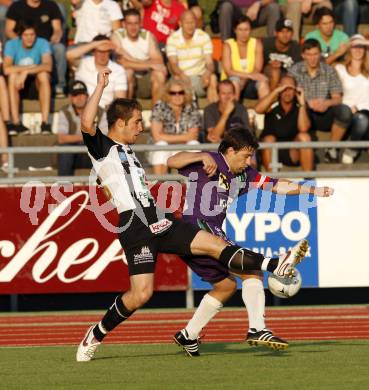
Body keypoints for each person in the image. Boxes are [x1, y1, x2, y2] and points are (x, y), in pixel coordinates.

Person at [75, 67, 316, 362]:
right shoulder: (103, 147)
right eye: (137, 121)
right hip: (134, 225)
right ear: (121, 123)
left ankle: (276, 265)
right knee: (141, 294)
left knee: (218, 246)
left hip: (158, 218)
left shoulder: (129, 151)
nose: (141, 127)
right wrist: (100, 86)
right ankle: (96, 333)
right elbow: (87, 122)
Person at [166, 128, 334, 356]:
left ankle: (188, 335)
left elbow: (276, 185)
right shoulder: (211, 160)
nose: (249, 161)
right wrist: (200, 155)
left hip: (210, 231)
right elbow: (172, 160)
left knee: (226, 286)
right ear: (231, 150)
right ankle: (258, 326)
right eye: (245, 156)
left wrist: (311, 190)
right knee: (251, 269)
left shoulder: (244, 175)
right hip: (196, 227)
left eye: (251, 156)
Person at [288, 38, 352, 162]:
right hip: (303, 110)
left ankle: (332, 149)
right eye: (309, 54)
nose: (313, 58)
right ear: (303, 55)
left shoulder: (329, 70)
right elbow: (288, 94)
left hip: (324, 112)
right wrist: (306, 103)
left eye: (316, 54)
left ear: (320, 54)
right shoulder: (295, 71)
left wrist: (326, 103)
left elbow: (337, 98)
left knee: (345, 111)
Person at [5, 0, 67, 97]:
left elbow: (57, 29)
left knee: (59, 48)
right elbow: (9, 30)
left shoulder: (51, 5)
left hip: (46, 44)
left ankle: (58, 86)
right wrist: (22, 42)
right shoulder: (16, 6)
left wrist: (53, 40)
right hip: (22, 43)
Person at [255, 74, 314, 171]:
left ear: (295, 90)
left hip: (292, 151)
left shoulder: (300, 105)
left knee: (305, 137)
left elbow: (303, 128)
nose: (287, 92)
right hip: (270, 150)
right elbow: (258, 110)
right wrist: (276, 91)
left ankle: (309, 181)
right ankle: (272, 183)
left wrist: (302, 103)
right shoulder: (272, 103)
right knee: (269, 139)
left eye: (290, 88)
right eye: (284, 88)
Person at [3, 20, 52, 134]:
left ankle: (45, 123)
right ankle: (16, 123)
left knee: (44, 75)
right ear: (20, 36)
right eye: (26, 35)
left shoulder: (42, 43)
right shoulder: (12, 44)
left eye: (32, 34)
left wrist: (25, 72)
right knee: (12, 76)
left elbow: (48, 66)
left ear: (36, 35)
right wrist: (32, 67)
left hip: (36, 86)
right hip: (18, 86)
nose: (29, 38)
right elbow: (6, 69)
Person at [112, 8, 167, 104]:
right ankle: (125, 113)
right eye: (129, 23)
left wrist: (132, 62)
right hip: (125, 81)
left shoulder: (147, 36)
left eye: (136, 23)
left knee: (160, 74)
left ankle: (156, 114)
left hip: (145, 79)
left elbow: (159, 62)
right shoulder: (117, 36)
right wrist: (149, 64)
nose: (133, 27)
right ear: (124, 24)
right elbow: (122, 63)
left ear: (140, 23)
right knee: (127, 72)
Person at [148, 78, 201, 174]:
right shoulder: (159, 107)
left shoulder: (192, 107)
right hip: (164, 148)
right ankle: (159, 186)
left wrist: (165, 136)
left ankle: (193, 186)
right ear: (167, 94)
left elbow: (193, 136)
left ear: (186, 93)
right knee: (161, 146)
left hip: (183, 148)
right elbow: (157, 137)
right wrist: (185, 137)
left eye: (181, 92)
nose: (177, 95)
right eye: (173, 93)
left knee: (194, 144)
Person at [57, 80, 108, 176]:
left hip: (92, 154)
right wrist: (87, 136)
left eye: (82, 94)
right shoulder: (65, 111)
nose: (79, 98)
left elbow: (104, 138)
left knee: (105, 151)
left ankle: (107, 189)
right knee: (66, 150)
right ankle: (64, 189)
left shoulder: (100, 111)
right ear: (70, 98)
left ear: (87, 96)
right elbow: (61, 138)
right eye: (75, 95)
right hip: (73, 155)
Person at [166, 10, 218, 102]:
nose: (190, 26)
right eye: (187, 23)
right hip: (181, 77)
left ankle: (212, 112)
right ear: (180, 23)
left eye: (192, 22)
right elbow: (173, 64)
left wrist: (208, 72)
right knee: (178, 80)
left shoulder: (203, 36)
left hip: (199, 77)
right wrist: (182, 75)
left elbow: (209, 62)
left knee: (212, 78)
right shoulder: (172, 39)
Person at [66, 35, 128, 109]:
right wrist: (95, 44)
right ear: (93, 51)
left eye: (106, 51)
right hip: (83, 109)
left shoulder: (118, 70)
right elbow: (69, 55)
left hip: (106, 111)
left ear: (110, 52)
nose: (103, 55)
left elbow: (120, 99)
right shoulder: (83, 62)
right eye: (99, 51)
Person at [335, 34, 369, 164]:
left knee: (365, 117)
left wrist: (364, 43)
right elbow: (320, 66)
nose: (358, 50)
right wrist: (343, 49)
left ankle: (352, 148)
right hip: (351, 114)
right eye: (354, 47)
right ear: (349, 49)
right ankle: (352, 149)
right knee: (361, 118)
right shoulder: (340, 68)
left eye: (361, 47)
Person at [221, 15, 270, 100]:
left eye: (246, 30)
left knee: (263, 83)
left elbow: (257, 68)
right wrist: (248, 76)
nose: (243, 33)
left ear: (250, 30)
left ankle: (266, 111)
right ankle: (234, 111)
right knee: (235, 81)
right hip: (231, 83)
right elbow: (229, 71)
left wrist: (245, 80)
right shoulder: (228, 45)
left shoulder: (257, 43)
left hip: (250, 82)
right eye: (240, 30)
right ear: (235, 30)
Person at [263, 17, 301, 90]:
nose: (285, 35)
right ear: (276, 33)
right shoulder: (267, 44)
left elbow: (296, 70)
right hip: (268, 74)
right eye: (281, 31)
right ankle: (271, 99)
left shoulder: (296, 48)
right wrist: (270, 65)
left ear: (292, 33)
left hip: (287, 77)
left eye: (288, 31)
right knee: (275, 71)